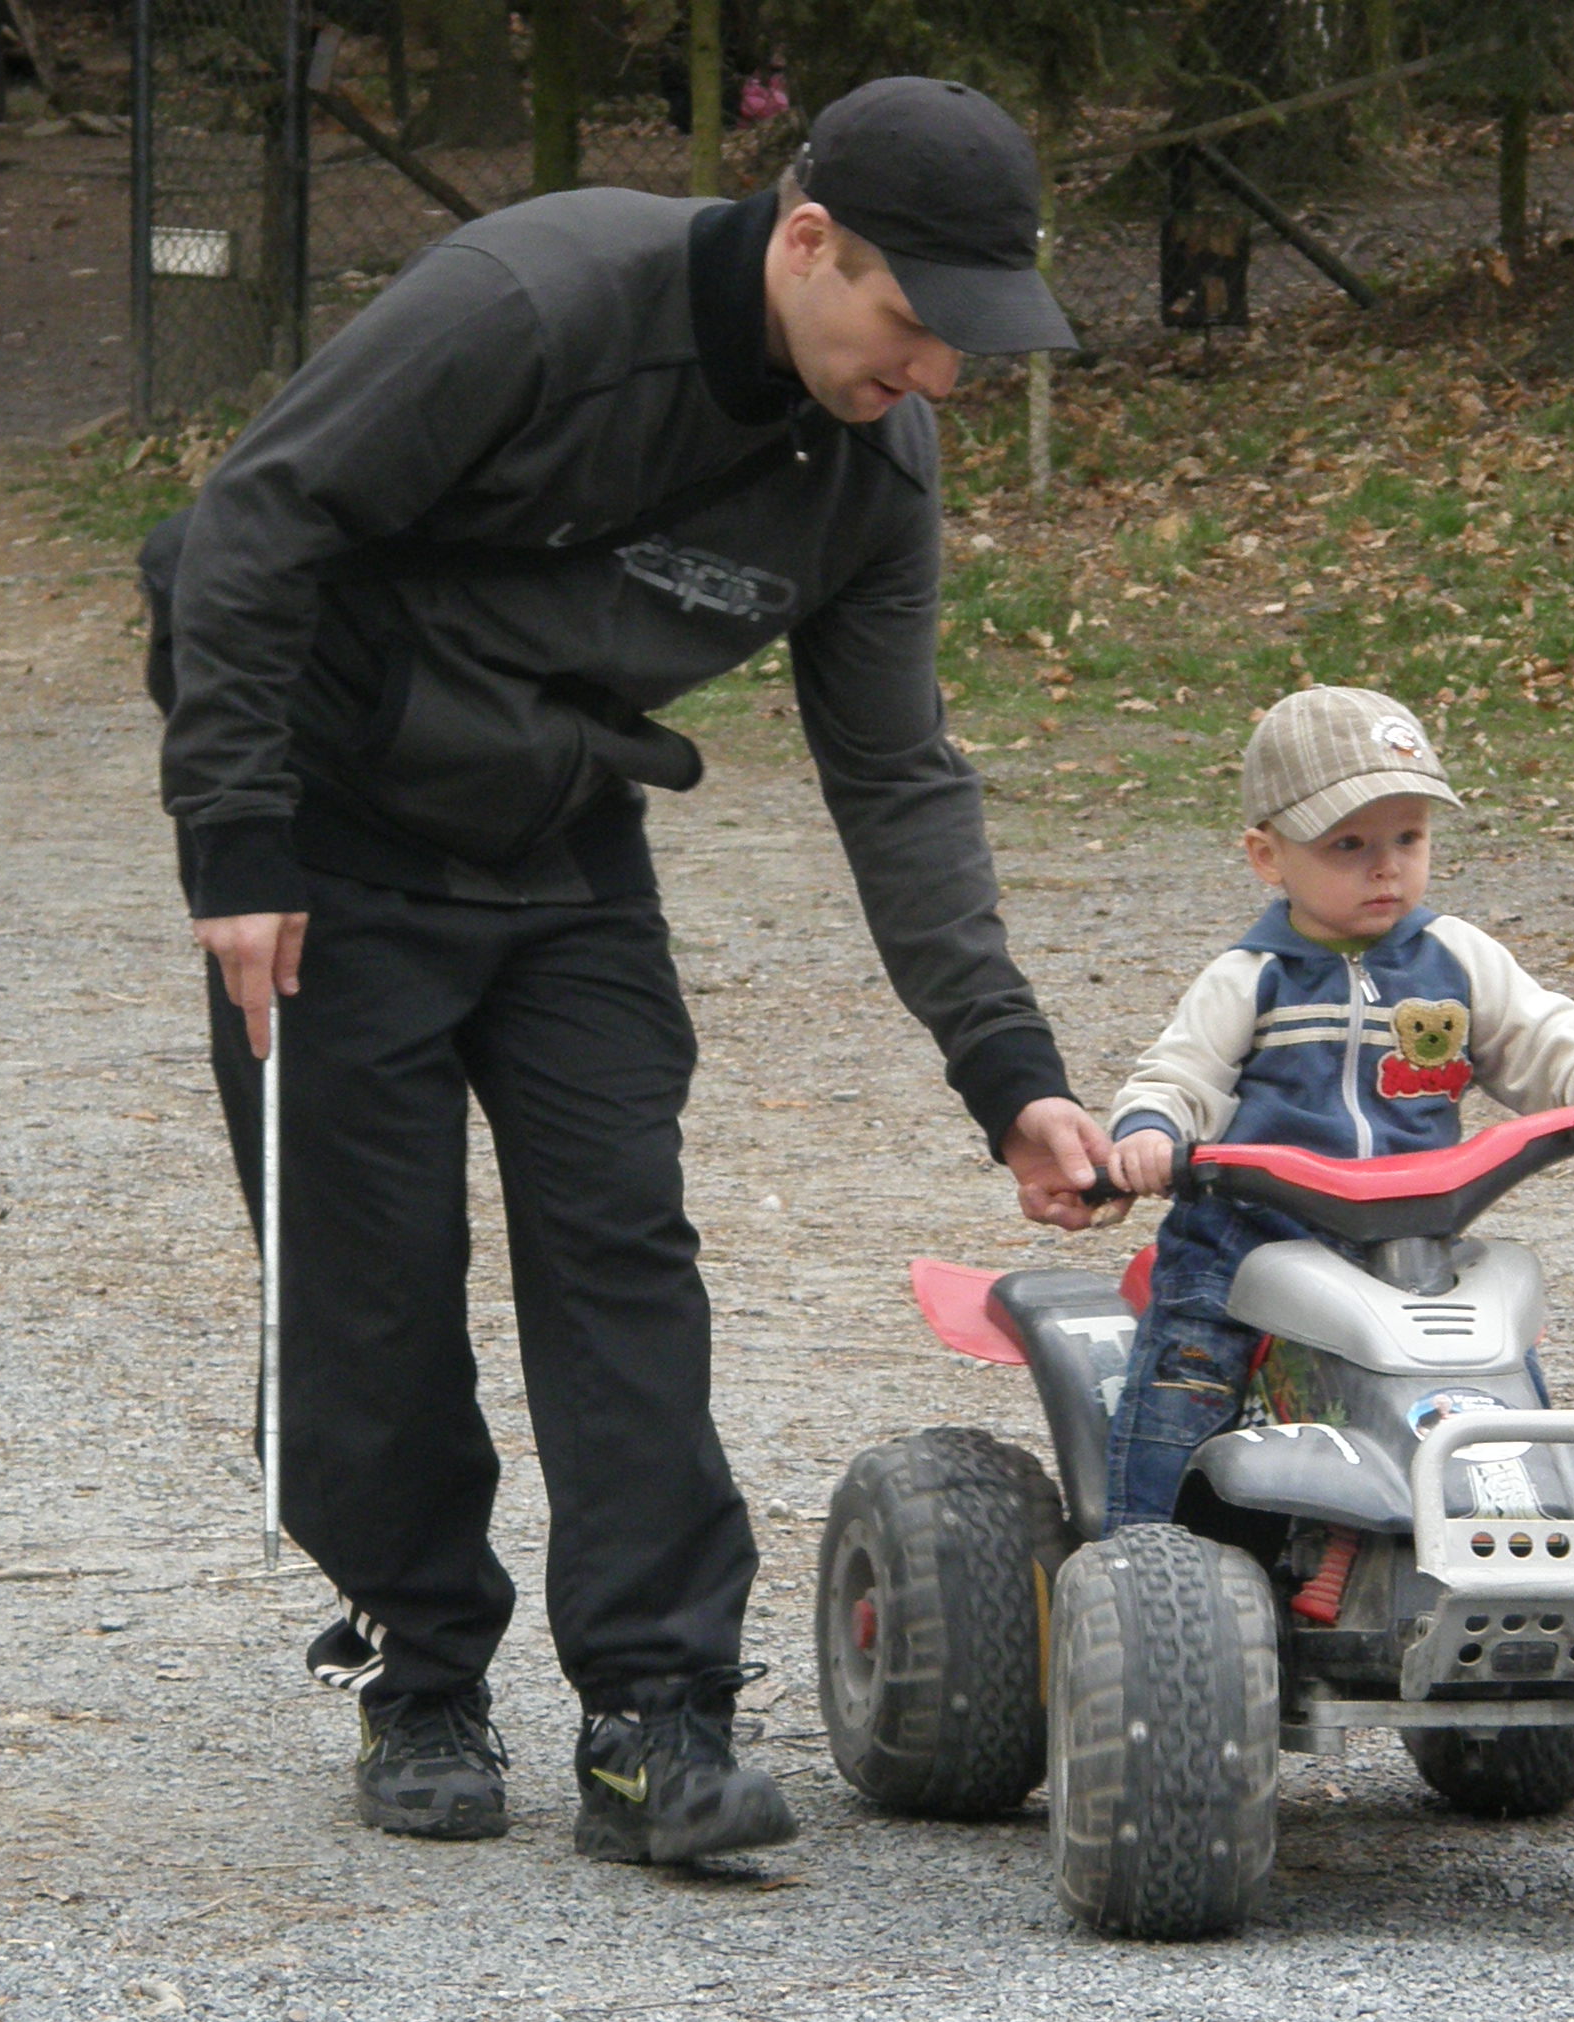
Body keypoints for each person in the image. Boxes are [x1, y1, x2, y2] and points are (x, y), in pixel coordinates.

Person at [140, 78, 1116, 1865]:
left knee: (622, 1250)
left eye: (967, 345)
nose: (937, 379)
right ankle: (418, 1660)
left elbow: (896, 776)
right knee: (365, 1276)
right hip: (335, 838)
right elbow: (251, 526)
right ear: (808, 241)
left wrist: (1010, 1069)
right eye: (914, 326)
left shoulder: (870, 467)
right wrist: (239, 843)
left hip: (563, 838)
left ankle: (651, 1714)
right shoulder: (534, 305)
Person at [1092, 687, 1574, 1529]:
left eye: (1408, 837)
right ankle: (1143, 1560)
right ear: (1267, 857)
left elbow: (1539, 1034)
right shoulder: (1252, 975)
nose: (1386, 866)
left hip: (1409, 1235)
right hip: (1255, 1230)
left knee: (1493, 1375)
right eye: (1349, 844)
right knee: (1188, 1378)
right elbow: (1179, 1075)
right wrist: (1152, 1132)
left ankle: (1539, 1531)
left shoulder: (1456, 958)